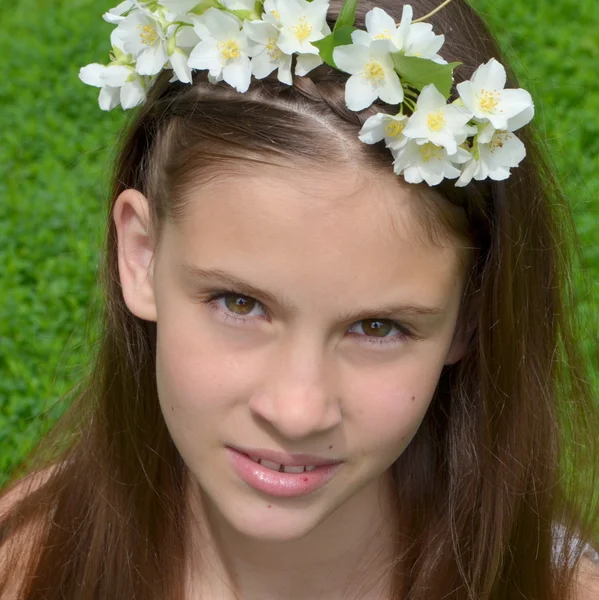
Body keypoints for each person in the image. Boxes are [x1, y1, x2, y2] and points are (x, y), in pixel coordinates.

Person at [1, 0, 598, 598]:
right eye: (239, 304)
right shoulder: (27, 562)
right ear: (143, 256)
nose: (297, 411)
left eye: (377, 327)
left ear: (469, 316)